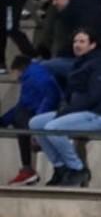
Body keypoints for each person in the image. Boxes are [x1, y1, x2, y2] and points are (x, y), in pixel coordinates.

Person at [28, 27, 101, 187]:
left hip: (96, 115)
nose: (77, 45)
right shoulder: (78, 65)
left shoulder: (100, 65)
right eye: (75, 41)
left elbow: (95, 96)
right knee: (36, 123)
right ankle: (60, 168)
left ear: (92, 45)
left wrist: (67, 111)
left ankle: (77, 169)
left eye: (82, 41)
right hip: (77, 112)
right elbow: (69, 97)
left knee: (53, 128)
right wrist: (64, 110)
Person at [36, 0, 101, 80]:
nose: (54, 3)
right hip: (88, 59)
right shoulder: (74, 9)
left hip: (96, 62)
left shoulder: (84, 12)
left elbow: (83, 43)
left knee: (43, 67)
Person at [3, 55, 61, 185]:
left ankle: (27, 169)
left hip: (47, 115)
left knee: (20, 121)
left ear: (17, 70)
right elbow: (24, 104)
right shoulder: (33, 74)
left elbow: (50, 97)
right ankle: (27, 169)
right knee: (19, 116)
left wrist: (37, 124)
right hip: (39, 113)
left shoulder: (34, 77)